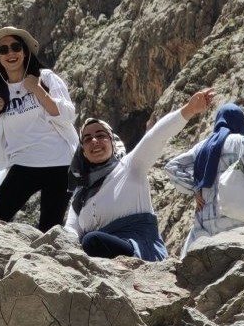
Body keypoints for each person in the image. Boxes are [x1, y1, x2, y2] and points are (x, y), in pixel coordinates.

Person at [65, 87, 216, 261]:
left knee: (91, 240)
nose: (94, 141)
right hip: (94, 251)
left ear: (112, 142)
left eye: (101, 135)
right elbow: (71, 230)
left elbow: (156, 136)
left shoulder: (130, 166)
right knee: (86, 242)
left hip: (138, 248)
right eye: (87, 139)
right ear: (83, 151)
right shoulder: (80, 194)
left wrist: (188, 110)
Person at [0, 27, 78, 232]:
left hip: (59, 162)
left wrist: (37, 89)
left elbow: (67, 114)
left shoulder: (45, 78)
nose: (10, 53)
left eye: (16, 47)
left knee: (50, 229)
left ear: (25, 51)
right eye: (3, 50)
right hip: (23, 164)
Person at [164, 103, 244, 254]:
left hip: (205, 223)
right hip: (235, 219)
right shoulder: (241, 142)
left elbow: (172, 167)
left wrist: (195, 189)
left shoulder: (202, 147)